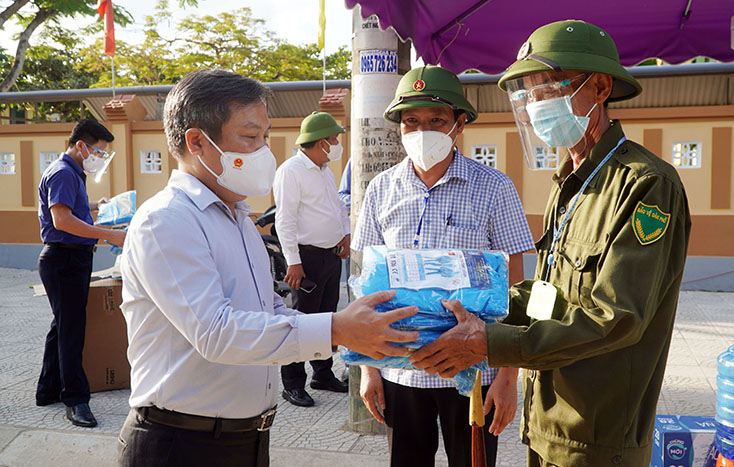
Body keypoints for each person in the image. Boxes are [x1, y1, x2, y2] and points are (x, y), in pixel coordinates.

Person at [410, 21, 692, 467]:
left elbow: (616, 317)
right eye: (527, 95)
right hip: (547, 420)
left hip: (596, 435)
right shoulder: (570, 183)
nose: (535, 106)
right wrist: (472, 303)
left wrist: (492, 343)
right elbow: (548, 293)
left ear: (598, 87)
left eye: (547, 90)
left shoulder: (645, 184)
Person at [117, 69, 418, 467]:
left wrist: (344, 330)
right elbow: (217, 333)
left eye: (264, 136)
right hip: (181, 444)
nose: (264, 150)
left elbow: (267, 311)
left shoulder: (239, 217)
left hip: (246, 439)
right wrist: (336, 329)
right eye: (250, 137)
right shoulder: (167, 221)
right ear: (197, 142)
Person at [353, 65, 535, 467]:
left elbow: (516, 289)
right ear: (399, 127)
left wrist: (508, 378)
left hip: (473, 372)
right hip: (402, 371)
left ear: (460, 124)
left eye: (437, 120)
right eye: (411, 121)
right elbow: (367, 287)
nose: (423, 131)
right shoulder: (381, 189)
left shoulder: (494, 187)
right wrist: (370, 370)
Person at [36, 119, 125, 428]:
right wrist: (108, 235)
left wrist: (95, 205)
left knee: (61, 326)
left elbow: (69, 208)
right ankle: (76, 400)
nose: (100, 157)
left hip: (70, 258)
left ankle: (48, 389)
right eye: (99, 151)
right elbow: (61, 221)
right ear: (80, 146)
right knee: (72, 331)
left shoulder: (70, 173)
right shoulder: (63, 173)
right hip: (64, 259)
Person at [274, 111, 351, 407]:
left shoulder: (324, 170)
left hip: (330, 257)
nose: (337, 144)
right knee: (300, 323)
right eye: (334, 139)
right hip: (306, 259)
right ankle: (292, 384)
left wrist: (344, 235)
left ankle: (322, 373)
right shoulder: (291, 171)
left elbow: (335, 207)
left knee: (325, 319)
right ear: (320, 142)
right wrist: (293, 261)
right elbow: (285, 220)